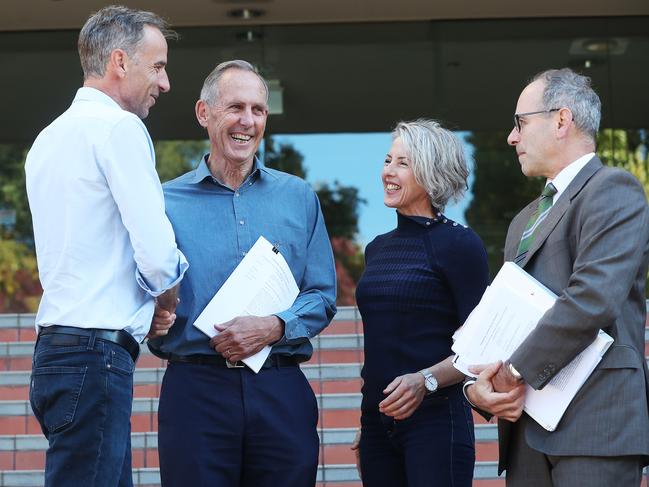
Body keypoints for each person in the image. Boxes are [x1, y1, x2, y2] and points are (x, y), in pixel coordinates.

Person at [148, 59, 337, 487]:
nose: (247, 122)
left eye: (258, 110)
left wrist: (274, 325)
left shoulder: (299, 197)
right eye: (235, 107)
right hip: (195, 390)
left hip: (280, 387)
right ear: (204, 113)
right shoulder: (163, 203)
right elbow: (144, 293)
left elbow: (323, 295)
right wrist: (152, 316)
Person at [24, 6, 187, 487]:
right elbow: (157, 254)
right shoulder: (119, 129)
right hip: (95, 357)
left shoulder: (46, 140)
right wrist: (167, 300)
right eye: (157, 66)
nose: (165, 82)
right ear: (120, 62)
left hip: (56, 354)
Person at [465, 68, 649, 486]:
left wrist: (511, 373)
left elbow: (592, 299)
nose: (512, 137)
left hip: (594, 426)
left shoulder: (613, 189)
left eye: (520, 123)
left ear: (561, 120)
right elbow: (502, 317)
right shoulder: (523, 221)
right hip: (527, 430)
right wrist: (476, 387)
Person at [350, 119, 489, 487]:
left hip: (436, 423)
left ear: (431, 173)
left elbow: (482, 345)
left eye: (403, 163)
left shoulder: (460, 246)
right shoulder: (376, 248)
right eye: (387, 160)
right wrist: (369, 422)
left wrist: (425, 381)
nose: (387, 172)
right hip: (377, 425)